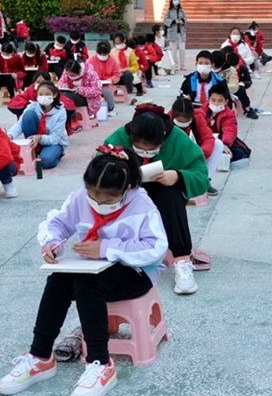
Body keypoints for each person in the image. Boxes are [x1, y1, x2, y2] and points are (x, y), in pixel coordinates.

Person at [0, 149, 168, 396]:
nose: (97, 202)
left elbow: (156, 248)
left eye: (107, 198)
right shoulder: (80, 198)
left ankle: (100, 363)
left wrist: (106, 248)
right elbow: (57, 223)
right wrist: (51, 243)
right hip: (93, 267)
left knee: (87, 286)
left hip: (138, 270)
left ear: (127, 188)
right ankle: (40, 356)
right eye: (92, 194)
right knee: (58, 280)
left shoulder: (142, 206)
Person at [105, 104, 210, 293]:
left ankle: (182, 260)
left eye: (151, 149)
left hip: (165, 195)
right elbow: (99, 170)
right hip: (129, 194)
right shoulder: (118, 138)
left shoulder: (177, 139)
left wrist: (177, 176)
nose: (145, 153)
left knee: (171, 194)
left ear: (162, 140)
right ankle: (120, 252)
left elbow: (202, 175)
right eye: (139, 148)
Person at [7, 81, 68, 169]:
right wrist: (10, 135)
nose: (44, 97)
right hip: (34, 139)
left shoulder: (60, 112)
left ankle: (58, 153)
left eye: (47, 94)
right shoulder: (33, 106)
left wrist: (40, 138)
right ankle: (34, 150)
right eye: (41, 94)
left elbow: (55, 137)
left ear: (54, 95)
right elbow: (20, 124)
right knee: (28, 115)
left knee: (46, 161)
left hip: (53, 142)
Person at [171, 96, 223, 196]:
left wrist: (201, 154)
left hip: (194, 152)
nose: (183, 123)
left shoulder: (198, 117)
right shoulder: (166, 120)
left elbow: (207, 137)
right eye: (180, 121)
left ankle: (205, 181)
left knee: (217, 144)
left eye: (186, 121)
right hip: (175, 154)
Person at [205, 82, 251, 162]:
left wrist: (225, 144)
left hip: (223, 140)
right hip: (207, 139)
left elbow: (229, 130)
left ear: (226, 101)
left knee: (238, 154)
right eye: (213, 100)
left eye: (220, 101)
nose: (216, 103)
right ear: (209, 99)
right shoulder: (202, 111)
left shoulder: (229, 115)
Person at [86, 41, 120, 117]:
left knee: (106, 90)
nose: (102, 55)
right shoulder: (91, 60)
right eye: (100, 53)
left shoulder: (113, 61)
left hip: (107, 84)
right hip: (94, 83)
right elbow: (87, 73)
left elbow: (117, 74)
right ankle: (90, 109)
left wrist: (111, 79)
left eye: (104, 54)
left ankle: (111, 108)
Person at [0, 43, 25, 108]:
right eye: (3, 53)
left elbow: (23, 71)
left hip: (13, 79)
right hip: (2, 78)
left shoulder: (17, 57)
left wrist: (17, 74)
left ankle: (11, 98)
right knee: (0, 78)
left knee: (7, 77)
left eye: (7, 54)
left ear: (11, 52)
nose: (5, 55)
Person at [110, 33, 138, 104]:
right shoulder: (112, 52)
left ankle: (130, 96)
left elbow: (135, 66)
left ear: (124, 40)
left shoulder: (130, 51)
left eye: (119, 43)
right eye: (116, 43)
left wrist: (128, 70)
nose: (118, 44)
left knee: (127, 74)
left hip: (126, 76)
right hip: (115, 76)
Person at [164, 0, 187, 72]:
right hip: (172, 33)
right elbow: (165, 20)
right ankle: (175, 65)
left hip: (181, 33)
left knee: (182, 49)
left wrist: (182, 21)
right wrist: (173, 21)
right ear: (171, 1)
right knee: (173, 50)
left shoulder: (181, 10)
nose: (176, 1)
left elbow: (185, 18)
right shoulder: (169, 11)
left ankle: (183, 65)